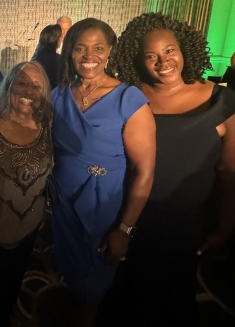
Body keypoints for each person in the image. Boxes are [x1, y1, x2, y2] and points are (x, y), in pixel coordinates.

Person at [105, 12, 235, 326]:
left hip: (182, 229)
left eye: (169, 50)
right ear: (137, 59)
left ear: (184, 48)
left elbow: (233, 175)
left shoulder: (225, 104)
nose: (163, 61)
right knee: (114, 302)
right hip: (121, 218)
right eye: (151, 55)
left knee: (168, 306)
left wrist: (225, 227)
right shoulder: (123, 98)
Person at [51, 18, 156, 326]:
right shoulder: (58, 95)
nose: (89, 56)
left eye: (98, 48)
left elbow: (145, 172)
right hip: (63, 203)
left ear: (110, 50)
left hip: (105, 209)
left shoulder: (129, 99)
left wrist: (124, 230)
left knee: (92, 289)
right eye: (81, 48)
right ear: (70, 51)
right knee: (72, 278)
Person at [0, 61, 54, 327]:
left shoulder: (48, 123)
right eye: (21, 82)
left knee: (12, 289)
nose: (29, 91)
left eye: (36, 86)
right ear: (9, 85)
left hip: (30, 227)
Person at [32, 24, 61, 89]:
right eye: (60, 37)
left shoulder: (36, 57)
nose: (61, 40)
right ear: (55, 39)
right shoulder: (58, 60)